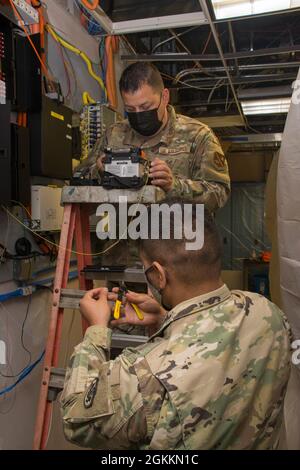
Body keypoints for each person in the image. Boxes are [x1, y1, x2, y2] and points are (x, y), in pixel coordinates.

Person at [61, 199, 291, 450]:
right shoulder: (268, 313)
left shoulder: (145, 375)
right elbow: (213, 343)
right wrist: (163, 319)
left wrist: (96, 329)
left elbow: (76, 420)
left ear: (159, 275)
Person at [83, 61, 230, 212]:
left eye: (146, 107)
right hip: (127, 233)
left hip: (180, 233)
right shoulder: (113, 134)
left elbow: (219, 193)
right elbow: (79, 180)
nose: (139, 114)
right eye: (130, 109)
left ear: (164, 97)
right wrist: (99, 171)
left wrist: (174, 186)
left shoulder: (198, 136)